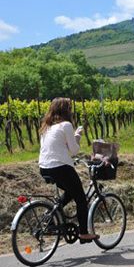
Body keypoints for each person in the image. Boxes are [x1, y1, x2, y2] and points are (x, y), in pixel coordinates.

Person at [39, 97, 99, 243]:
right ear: (66, 111)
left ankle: (50, 217)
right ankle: (84, 233)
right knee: (81, 199)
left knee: (70, 192)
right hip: (61, 167)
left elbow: (57, 147)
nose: (71, 111)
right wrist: (77, 136)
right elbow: (73, 151)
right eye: (70, 109)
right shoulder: (66, 125)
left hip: (44, 167)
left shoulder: (46, 127)